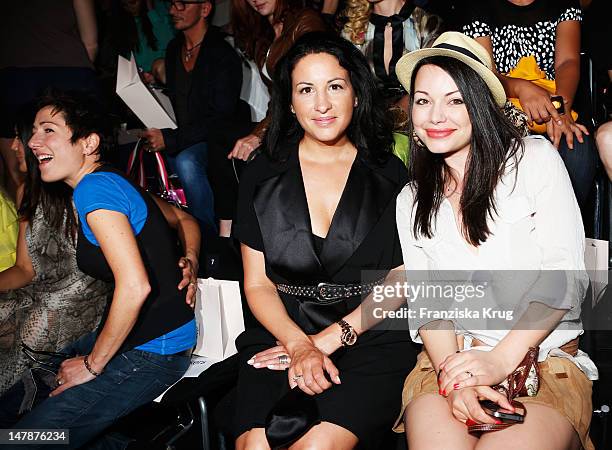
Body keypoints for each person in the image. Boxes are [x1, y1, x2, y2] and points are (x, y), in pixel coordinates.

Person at [393, 32, 597, 449]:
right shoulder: (411, 199)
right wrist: (455, 379)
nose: (435, 115)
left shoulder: (534, 160)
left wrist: (498, 360)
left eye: (455, 99)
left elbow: (566, 278)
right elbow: (429, 305)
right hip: (448, 362)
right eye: (423, 99)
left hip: (540, 358)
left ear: (482, 104)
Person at [232, 32, 417, 449]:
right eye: (306, 90)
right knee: (255, 445)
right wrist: (298, 344)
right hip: (283, 330)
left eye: (335, 86)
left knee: (316, 446)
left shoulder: (391, 173)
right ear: (290, 102)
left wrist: (332, 339)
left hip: (369, 333)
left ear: (356, 92)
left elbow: (405, 276)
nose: (322, 104)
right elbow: (258, 283)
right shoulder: (261, 174)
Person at [0, 91, 201, 449]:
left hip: (153, 351)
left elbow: (135, 286)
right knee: (15, 405)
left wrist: (92, 366)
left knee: (25, 441)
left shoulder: (94, 189)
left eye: (48, 130)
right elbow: (177, 223)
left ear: (89, 142)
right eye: (33, 132)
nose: (32, 142)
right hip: (147, 336)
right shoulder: (107, 180)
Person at [0, 114, 111, 395]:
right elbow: (25, 269)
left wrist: (191, 258)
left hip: (81, 302)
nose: (15, 147)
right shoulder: (30, 191)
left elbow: (180, 220)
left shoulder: (91, 188)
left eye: (19, 137)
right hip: (39, 292)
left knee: (31, 333)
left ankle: (19, 428)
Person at [463, 0, 597, 209]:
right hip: (502, 114)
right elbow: (484, 73)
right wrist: (521, 88)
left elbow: (567, 63)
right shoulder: (479, 7)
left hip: (557, 104)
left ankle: (561, 231)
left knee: (575, 148)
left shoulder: (564, 3)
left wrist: (559, 110)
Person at [140, 0, 247, 237]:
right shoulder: (173, 49)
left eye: (181, 4)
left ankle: (206, 238)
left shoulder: (222, 55)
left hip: (220, 139)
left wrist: (171, 138)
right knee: (142, 155)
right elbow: (181, 102)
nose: (172, 11)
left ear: (205, 9)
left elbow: (220, 119)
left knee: (186, 162)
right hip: (189, 134)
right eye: (171, 4)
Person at [0, 0, 98, 204]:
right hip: (68, 71)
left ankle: (30, 225)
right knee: (79, 162)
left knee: (19, 168)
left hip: (15, 74)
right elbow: (90, 42)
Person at [341, 0, 442, 108]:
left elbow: (433, 83)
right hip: (370, 118)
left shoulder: (428, 24)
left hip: (417, 114)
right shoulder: (352, 32)